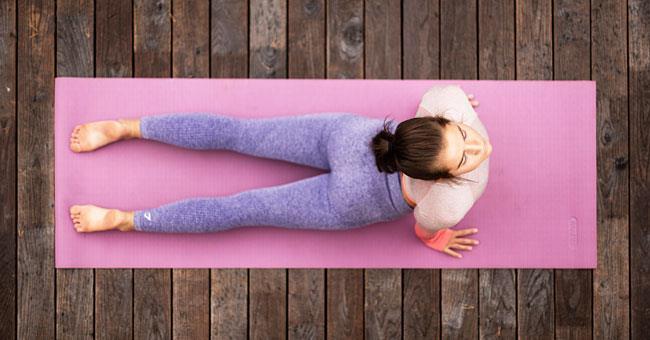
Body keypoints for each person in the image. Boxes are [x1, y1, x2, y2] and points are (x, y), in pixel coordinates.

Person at [68, 85, 490, 259]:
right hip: (351, 200)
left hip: (348, 136)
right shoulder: (451, 200)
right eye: (463, 141)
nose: (478, 146)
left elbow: (437, 96)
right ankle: (126, 222)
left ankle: (126, 127)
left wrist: (456, 115)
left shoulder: (450, 102)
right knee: (242, 210)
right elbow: (423, 228)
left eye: (465, 155)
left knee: (238, 134)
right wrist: (437, 239)